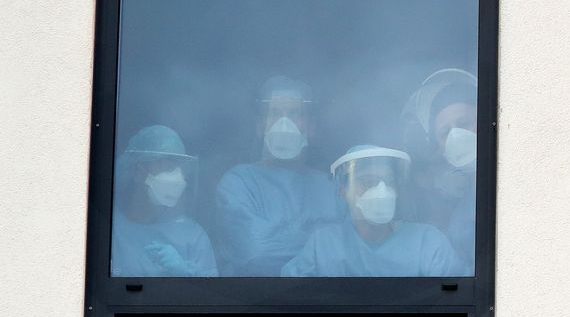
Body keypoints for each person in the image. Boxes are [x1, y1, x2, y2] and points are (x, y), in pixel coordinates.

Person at [215, 76, 342, 276]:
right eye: (274, 113)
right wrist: (323, 241)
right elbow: (255, 254)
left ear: (311, 127)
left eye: (295, 113)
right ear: (260, 125)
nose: (284, 123)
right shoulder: (238, 182)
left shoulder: (331, 186)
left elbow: (347, 251)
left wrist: (279, 235)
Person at [282, 145, 464, 277]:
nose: (381, 190)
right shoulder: (323, 245)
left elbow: (454, 299)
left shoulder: (428, 242)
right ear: (344, 192)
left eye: (389, 182)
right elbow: (291, 295)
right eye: (368, 182)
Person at [112, 125, 218, 277]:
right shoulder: (111, 230)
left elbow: (212, 295)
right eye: (167, 165)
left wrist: (185, 274)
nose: (178, 179)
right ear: (137, 171)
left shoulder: (193, 236)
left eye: (180, 169)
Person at [400, 68, 478, 270]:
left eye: (464, 123)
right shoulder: (458, 217)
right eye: (445, 133)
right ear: (440, 148)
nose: (456, 135)